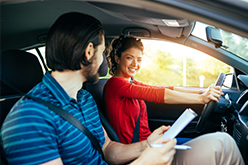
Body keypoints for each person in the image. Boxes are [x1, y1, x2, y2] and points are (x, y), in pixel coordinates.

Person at [0, 12, 244, 165]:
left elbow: (108, 150)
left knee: (221, 144)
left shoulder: (84, 98)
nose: (105, 60)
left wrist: (148, 145)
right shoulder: (28, 120)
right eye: (102, 51)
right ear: (88, 52)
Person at [103, 35, 245, 164]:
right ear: (117, 58)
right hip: (139, 153)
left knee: (202, 145)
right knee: (219, 146)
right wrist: (201, 99)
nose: (135, 64)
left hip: (152, 143)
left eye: (139, 59)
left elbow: (164, 88)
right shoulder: (114, 84)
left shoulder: (130, 83)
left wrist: (203, 91)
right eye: (129, 58)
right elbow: (155, 94)